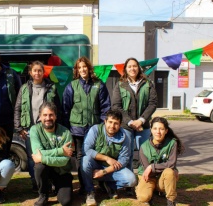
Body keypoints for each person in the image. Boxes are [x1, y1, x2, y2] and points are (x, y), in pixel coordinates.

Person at [63, 56, 111, 193]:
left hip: (95, 129)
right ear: (77, 70)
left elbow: (105, 108)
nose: (82, 69)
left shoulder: (99, 85)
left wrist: (102, 128)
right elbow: (65, 109)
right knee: (80, 157)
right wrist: (67, 131)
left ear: (89, 68)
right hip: (76, 130)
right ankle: (84, 186)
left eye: (85, 66)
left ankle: (103, 183)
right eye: (79, 67)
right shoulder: (71, 86)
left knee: (98, 155)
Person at [14, 60, 62, 192]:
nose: (37, 73)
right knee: (31, 157)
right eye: (34, 70)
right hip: (29, 128)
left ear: (43, 72)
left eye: (40, 70)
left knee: (47, 154)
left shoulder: (51, 88)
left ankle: (49, 181)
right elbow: (17, 108)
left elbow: (58, 108)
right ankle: (35, 182)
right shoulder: (24, 88)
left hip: (47, 128)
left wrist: (58, 126)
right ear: (30, 72)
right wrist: (19, 128)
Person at [111, 57, 158, 173]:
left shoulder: (148, 84)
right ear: (125, 69)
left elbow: (153, 103)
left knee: (146, 153)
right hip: (126, 126)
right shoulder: (120, 85)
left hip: (144, 125)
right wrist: (130, 122)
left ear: (139, 68)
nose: (132, 68)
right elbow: (116, 106)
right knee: (127, 154)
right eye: (129, 66)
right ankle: (129, 183)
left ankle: (145, 179)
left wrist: (141, 120)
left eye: (135, 66)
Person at [82, 109, 137, 206]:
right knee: (85, 161)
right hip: (95, 164)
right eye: (110, 122)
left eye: (116, 123)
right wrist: (107, 158)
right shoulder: (95, 130)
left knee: (132, 180)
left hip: (112, 169)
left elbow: (123, 160)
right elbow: (87, 150)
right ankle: (90, 192)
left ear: (120, 125)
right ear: (105, 121)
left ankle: (109, 185)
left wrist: (104, 172)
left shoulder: (125, 137)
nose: (112, 126)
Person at [30, 101, 73, 206]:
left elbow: (65, 160)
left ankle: (56, 187)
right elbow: (37, 153)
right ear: (40, 117)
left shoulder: (65, 132)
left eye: (51, 115)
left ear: (56, 116)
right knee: (39, 167)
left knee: (66, 201)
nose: (48, 118)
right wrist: (60, 151)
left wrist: (43, 158)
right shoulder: (34, 130)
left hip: (62, 171)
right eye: (45, 115)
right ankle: (43, 195)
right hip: (46, 170)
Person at [136, 117, 185, 206]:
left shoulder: (172, 143)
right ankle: (151, 191)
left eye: (161, 129)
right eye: (155, 128)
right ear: (151, 130)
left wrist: (152, 167)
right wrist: (154, 168)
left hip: (162, 177)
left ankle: (171, 201)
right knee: (143, 197)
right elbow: (148, 171)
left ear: (166, 131)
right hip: (149, 177)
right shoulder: (143, 147)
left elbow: (171, 164)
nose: (158, 132)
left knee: (170, 172)